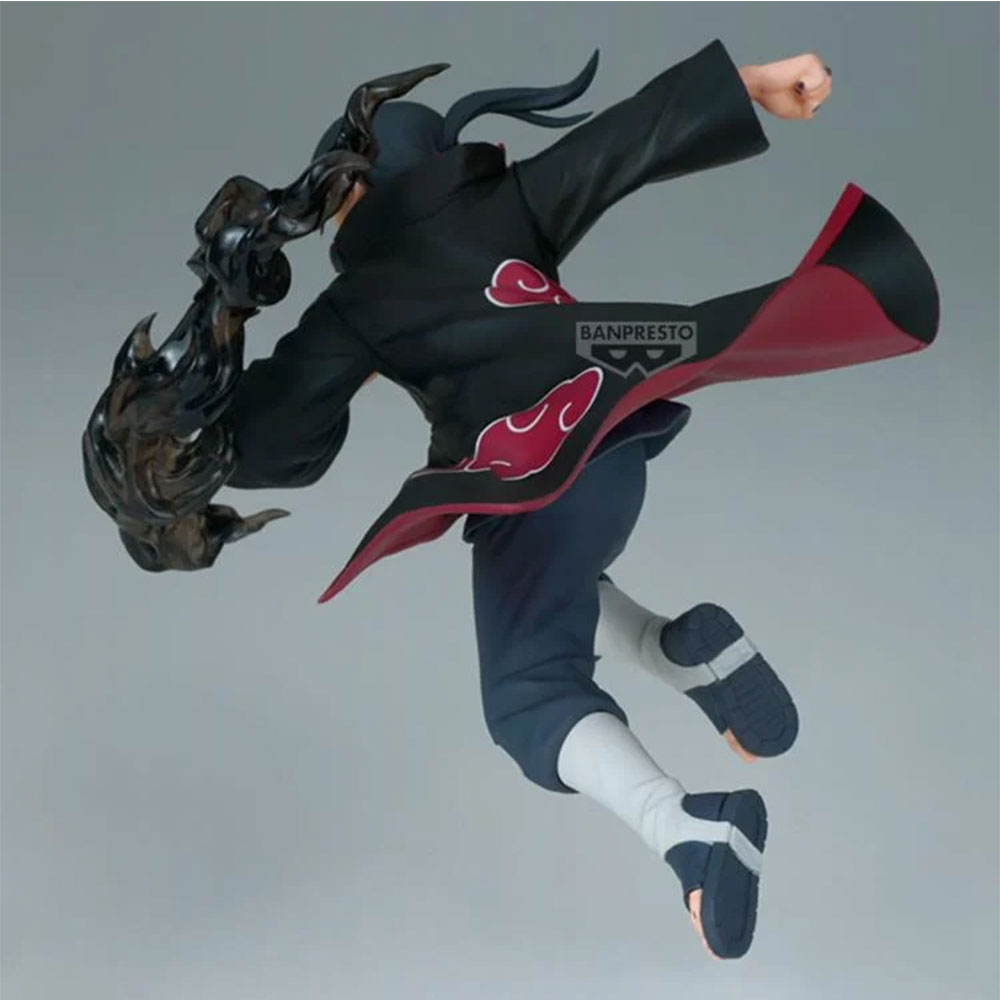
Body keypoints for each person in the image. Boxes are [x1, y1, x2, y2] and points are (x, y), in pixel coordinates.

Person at [84, 41, 938, 960]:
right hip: (619, 426)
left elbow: (281, 440)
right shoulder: (507, 203)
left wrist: (186, 441)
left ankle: (691, 832)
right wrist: (752, 87)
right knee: (553, 587)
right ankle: (677, 650)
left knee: (528, 696)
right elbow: (628, 140)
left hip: (533, 473)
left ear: (355, 189)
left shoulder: (356, 304)